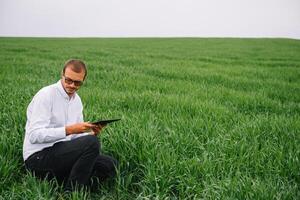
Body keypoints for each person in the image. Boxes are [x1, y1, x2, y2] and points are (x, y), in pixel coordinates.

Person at [23, 59, 118, 191]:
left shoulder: (76, 101)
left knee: (109, 164)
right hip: (38, 159)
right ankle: (71, 193)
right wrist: (69, 130)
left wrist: (90, 133)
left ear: (83, 81)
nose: (72, 85)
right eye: (68, 80)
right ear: (62, 75)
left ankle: (65, 180)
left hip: (61, 154)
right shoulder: (46, 95)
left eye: (78, 83)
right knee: (92, 143)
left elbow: (75, 140)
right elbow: (34, 135)